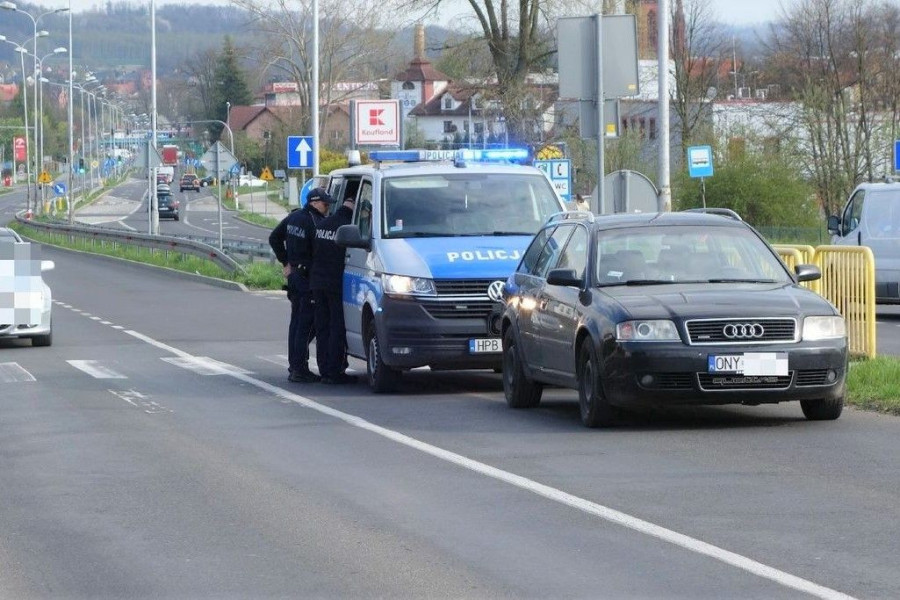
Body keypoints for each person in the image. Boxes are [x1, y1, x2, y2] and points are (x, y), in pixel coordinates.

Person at [268, 187, 334, 382]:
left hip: (295, 275)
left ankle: (294, 366)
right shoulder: (315, 222)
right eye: (325, 203)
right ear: (314, 203)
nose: (327, 207)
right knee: (306, 324)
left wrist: (286, 262)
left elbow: (274, 238)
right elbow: (321, 252)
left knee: (296, 323)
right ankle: (299, 369)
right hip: (307, 278)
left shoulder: (294, 217)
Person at [310, 194, 357, 384]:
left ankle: (324, 370)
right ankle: (334, 370)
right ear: (354, 207)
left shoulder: (323, 224)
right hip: (336, 283)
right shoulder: (348, 227)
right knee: (337, 328)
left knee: (322, 327)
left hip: (317, 281)